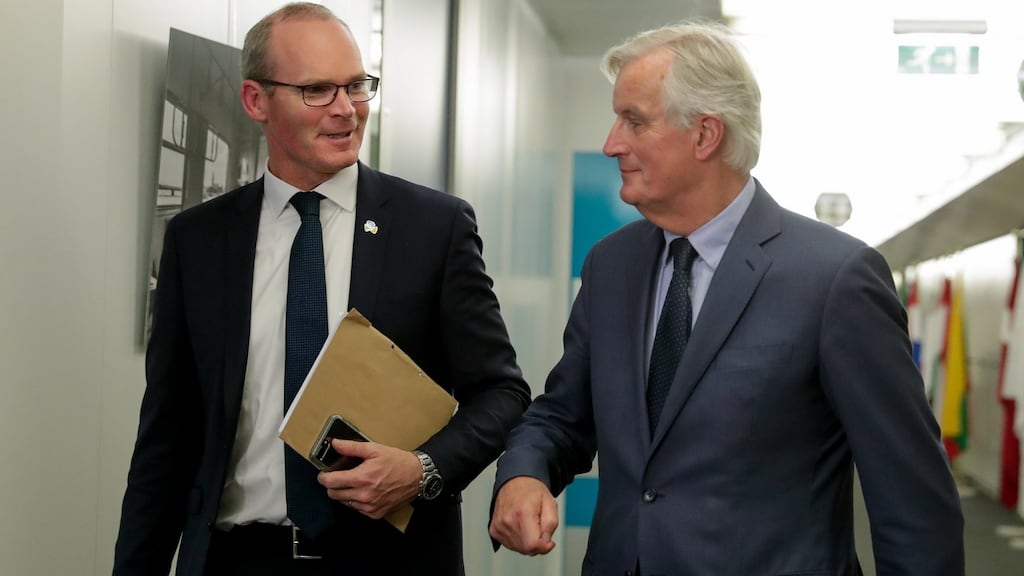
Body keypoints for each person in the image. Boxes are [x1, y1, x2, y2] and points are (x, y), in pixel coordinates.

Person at [489, 21, 964, 576]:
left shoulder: (836, 279)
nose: (611, 143)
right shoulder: (611, 265)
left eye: (634, 121)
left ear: (705, 135)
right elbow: (564, 414)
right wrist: (524, 472)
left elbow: (911, 501)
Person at [113, 3, 530, 575]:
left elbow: (502, 394)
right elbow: (167, 439)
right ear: (256, 101)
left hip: (388, 562)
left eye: (356, 86)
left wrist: (423, 468)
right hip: (236, 559)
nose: (346, 110)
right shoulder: (199, 241)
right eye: (317, 90)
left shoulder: (434, 229)